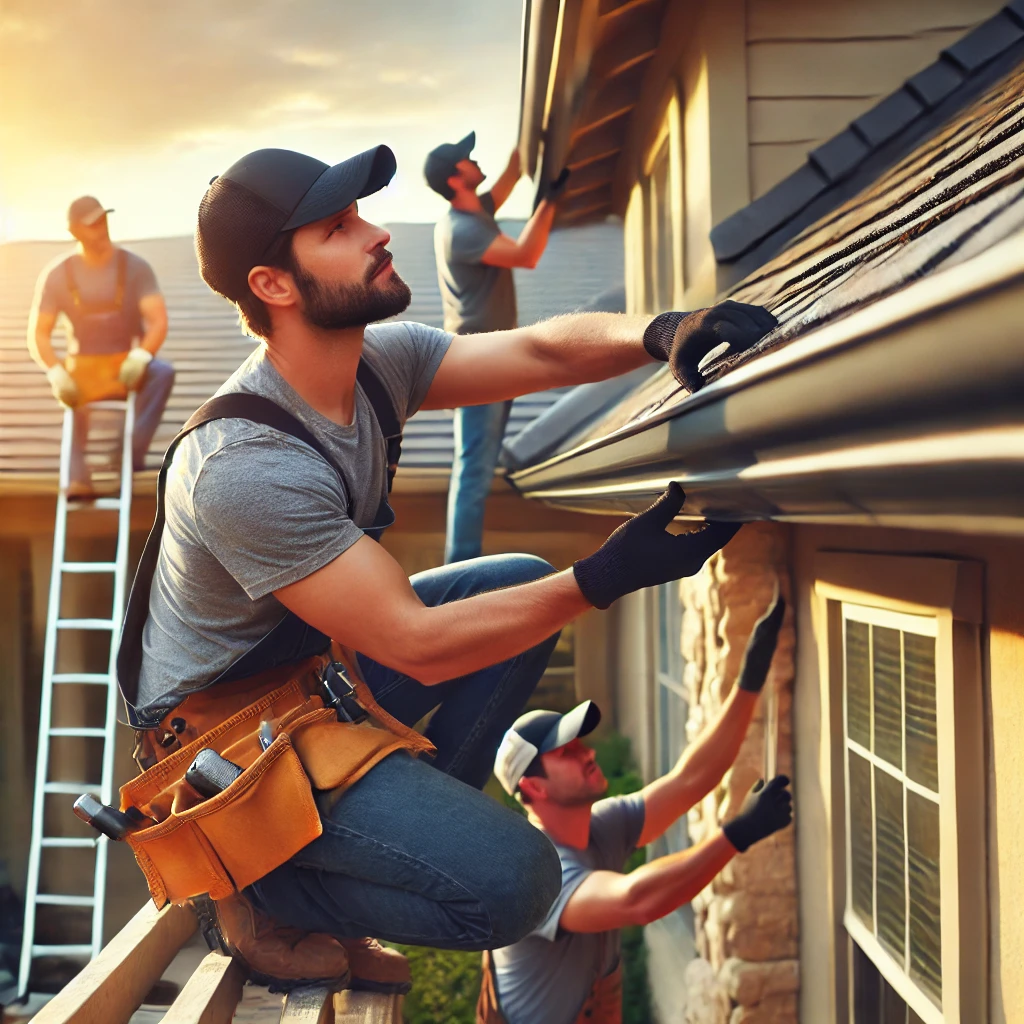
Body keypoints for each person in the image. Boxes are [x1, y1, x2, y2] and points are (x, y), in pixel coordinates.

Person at [122, 143, 778, 992]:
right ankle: (264, 885)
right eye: (338, 227)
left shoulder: (375, 368)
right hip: (225, 754)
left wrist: (659, 334)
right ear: (273, 285)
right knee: (520, 885)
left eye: (359, 215)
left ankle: (380, 847)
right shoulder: (243, 465)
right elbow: (420, 642)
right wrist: (605, 575)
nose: (376, 234)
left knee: (510, 581)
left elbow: (540, 353)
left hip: (316, 685)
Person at [480, 592, 792, 1024]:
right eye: (567, 754)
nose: (588, 754)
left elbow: (691, 779)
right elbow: (638, 901)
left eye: (580, 744)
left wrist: (751, 675)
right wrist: (736, 833)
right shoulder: (535, 876)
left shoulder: (602, 825)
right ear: (534, 787)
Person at [425, 132, 565, 563]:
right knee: (473, 468)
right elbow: (526, 253)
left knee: (478, 466)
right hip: (477, 360)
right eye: (466, 160)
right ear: (455, 179)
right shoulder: (464, 230)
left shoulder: (476, 210)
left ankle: (463, 561)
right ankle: (460, 567)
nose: (474, 160)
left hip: (492, 355)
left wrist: (534, 138)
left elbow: (511, 172)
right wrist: (551, 199)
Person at [27, 197, 174, 497]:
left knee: (162, 372)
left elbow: (158, 321)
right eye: (92, 224)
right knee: (72, 402)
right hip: (82, 368)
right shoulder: (58, 275)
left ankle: (125, 455)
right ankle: (78, 480)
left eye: (103, 220)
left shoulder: (135, 268)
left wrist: (142, 355)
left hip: (125, 366)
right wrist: (56, 373)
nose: (101, 228)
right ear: (75, 231)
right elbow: (39, 334)